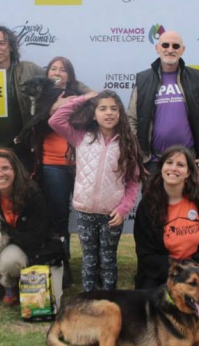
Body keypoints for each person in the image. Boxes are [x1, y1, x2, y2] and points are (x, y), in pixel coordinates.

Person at [49, 90, 145, 292]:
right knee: (89, 259)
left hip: (111, 215)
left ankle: (109, 300)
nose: (108, 113)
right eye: (102, 108)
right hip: (85, 212)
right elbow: (56, 120)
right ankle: (89, 300)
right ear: (94, 114)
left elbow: (133, 181)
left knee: (108, 260)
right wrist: (84, 98)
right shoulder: (81, 137)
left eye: (113, 108)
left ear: (120, 113)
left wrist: (123, 209)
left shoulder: (127, 143)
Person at [133, 145, 199, 319]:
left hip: (196, 268)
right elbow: (145, 252)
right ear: (161, 168)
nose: (173, 168)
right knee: (145, 305)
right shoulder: (148, 204)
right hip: (163, 271)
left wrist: (195, 265)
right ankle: (185, 311)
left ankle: (192, 309)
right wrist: (176, 269)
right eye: (169, 163)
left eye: (180, 165)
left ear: (188, 173)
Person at [32, 56, 90, 286]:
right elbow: (33, 128)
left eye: (63, 69)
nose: (57, 72)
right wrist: (52, 108)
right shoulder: (38, 98)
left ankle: (91, 264)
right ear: (47, 74)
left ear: (70, 75)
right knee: (58, 218)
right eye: (53, 68)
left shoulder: (80, 97)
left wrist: (73, 103)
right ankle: (62, 266)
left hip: (80, 164)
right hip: (52, 164)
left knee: (88, 216)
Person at [128, 30, 199, 177]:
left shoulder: (196, 78)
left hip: (187, 161)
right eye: (165, 45)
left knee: (187, 195)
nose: (170, 49)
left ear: (182, 50)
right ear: (157, 48)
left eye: (175, 46)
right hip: (153, 162)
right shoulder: (143, 80)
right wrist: (136, 157)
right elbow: (132, 120)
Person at [0, 147, 48, 305]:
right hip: (6, 244)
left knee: (10, 261)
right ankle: (9, 285)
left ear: (15, 170)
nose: (0, 174)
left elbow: (35, 239)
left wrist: (4, 235)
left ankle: (16, 282)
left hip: (33, 248)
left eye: (5, 168)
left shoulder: (33, 194)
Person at [0, 25, 44, 171]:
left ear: (11, 46)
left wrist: (85, 93)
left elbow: (56, 80)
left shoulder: (29, 69)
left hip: (23, 151)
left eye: (2, 43)